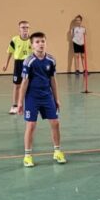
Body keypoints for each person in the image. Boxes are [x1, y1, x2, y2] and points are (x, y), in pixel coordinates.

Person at [19, 31, 65, 168]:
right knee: (31, 125)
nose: (41, 44)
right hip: (32, 97)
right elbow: (24, 82)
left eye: (43, 41)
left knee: (55, 123)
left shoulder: (51, 60)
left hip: (47, 96)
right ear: (32, 45)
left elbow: (53, 80)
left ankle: (57, 151)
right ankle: (27, 156)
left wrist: (56, 98)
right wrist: (20, 102)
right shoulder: (29, 61)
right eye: (37, 42)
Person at [1, 20, 31, 114]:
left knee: (30, 85)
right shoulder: (14, 40)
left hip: (29, 64)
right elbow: (10, 52)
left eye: (27, 27)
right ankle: (14, 106)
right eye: (23, 27)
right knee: (17, 85)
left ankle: (30, 105)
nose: (25, 29)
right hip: (18, 63)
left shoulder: (32, 40)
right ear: (19, 29)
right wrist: (6, 64)